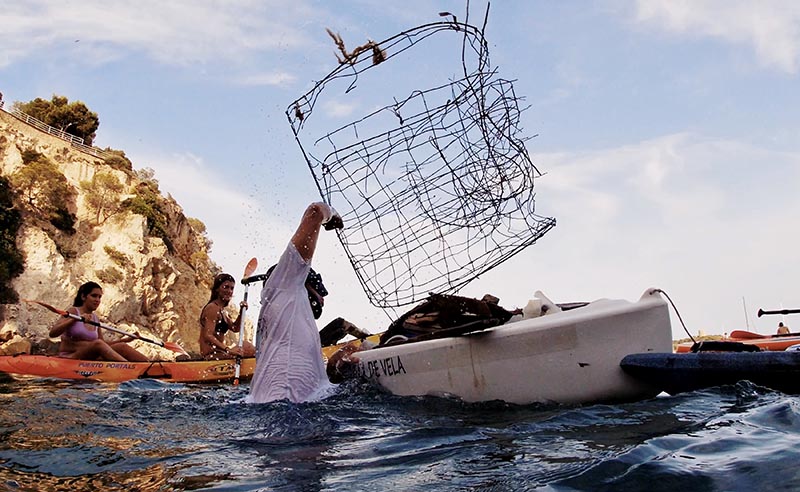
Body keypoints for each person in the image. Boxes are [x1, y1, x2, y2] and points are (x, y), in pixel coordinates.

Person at [247, 202, 345, 404]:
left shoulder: (284, 314)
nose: (322, 299)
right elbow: (315, 211)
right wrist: (332, 215)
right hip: (284, 411)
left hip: (296, 407)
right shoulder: (284, 286)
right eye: (320, 292)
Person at [49, 281, 148, 362]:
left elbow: (104, 345)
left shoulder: (95, 318)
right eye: (94, 296)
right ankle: (129, 367)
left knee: (121, 346)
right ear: (83, 297)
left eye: (99, 297)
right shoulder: (73, 312)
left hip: (89, 358)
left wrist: (125, 340)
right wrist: (74, 319)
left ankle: (152, 366)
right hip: (70, 357)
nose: (97, 300)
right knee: (97, 343)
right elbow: (53, 333)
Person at [198, 273, 256, 360]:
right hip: (211, 355)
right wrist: (228, 350)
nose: (229, 291)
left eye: (232, 288)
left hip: (220, 353)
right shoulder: (212, 308)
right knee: (246, 346)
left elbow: (235, 328)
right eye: (226, 287)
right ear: (217, 289)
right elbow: (208, 335)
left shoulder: (222, 311)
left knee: (247, 347)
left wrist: (241, 311)